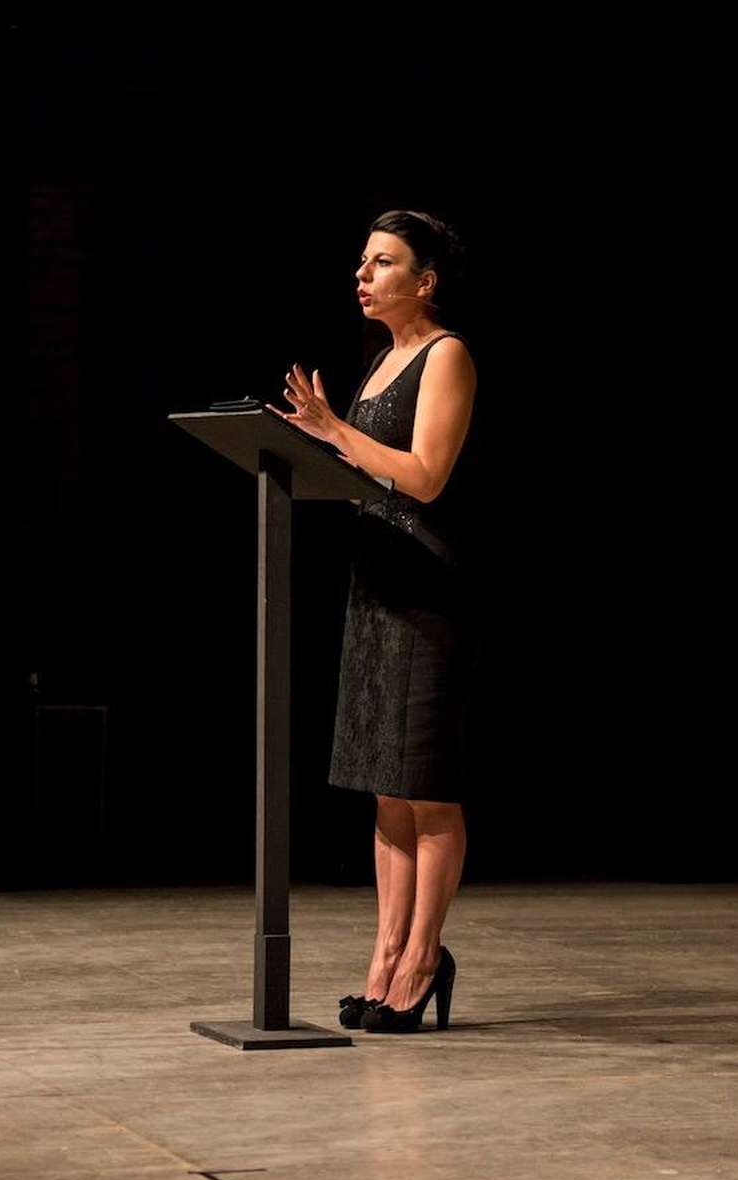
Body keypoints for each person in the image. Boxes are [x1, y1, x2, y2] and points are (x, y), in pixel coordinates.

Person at [265, 209, 480, 1033]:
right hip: (376, 587)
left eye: (382, 262)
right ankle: (384, 959)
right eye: (362, 261)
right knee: (386, 788)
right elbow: (366, 471)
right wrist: (315, 443)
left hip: (428, 592)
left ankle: (423, 960)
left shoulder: (445, 355)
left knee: (426, 788)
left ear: (425, 281)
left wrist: (335, 431)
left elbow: (424, 478)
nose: (362, 274)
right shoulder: (380, 362)